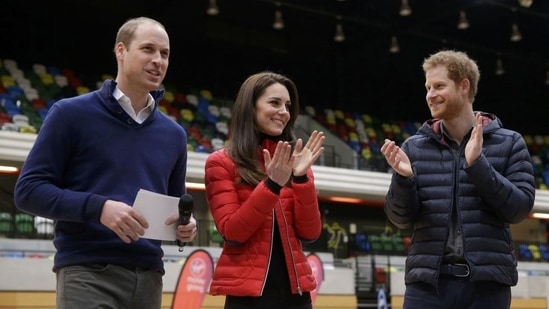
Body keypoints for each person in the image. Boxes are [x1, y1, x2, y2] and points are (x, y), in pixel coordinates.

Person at [14, 17, 197, 309]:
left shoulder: (174, 135)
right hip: (88, 272)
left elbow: (173, 209)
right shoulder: (70, 114)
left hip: (150, 278)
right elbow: (28, 191)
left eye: (164, 54)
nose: (158, 60)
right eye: (148, 49)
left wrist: (184, 227)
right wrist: (99, 208)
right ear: (121, 51)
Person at [380, 49, 536, 308]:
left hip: (487, 287)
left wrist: (478, 165)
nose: (430, 95)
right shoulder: (413, 148)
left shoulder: (510, 142)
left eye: (439, 86)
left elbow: (519, 209)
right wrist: (404, 179)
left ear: (464, 86)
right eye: (428, 87)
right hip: (427, 287)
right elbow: (400, 218)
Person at [204, 71, 325, 309]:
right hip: (248, 298)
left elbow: (311, 233)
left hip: (296, 296)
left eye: (288, 106)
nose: (284, 112)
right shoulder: (220, 163)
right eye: (274, 103)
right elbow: (233, 232)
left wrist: (300, 179)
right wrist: (271, 185)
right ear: (250, 107)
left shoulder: (296, 163)